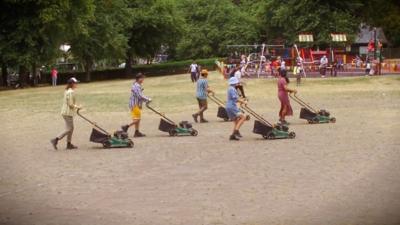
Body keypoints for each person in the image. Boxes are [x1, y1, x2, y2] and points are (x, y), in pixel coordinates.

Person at [50, 77, 81, 150]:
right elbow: (70, 104)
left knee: (71, 128)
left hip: (66, 112)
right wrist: (78, 107)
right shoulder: (71, 92)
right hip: (67, 113)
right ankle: (56, 139)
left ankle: (68, 144)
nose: (77, 84)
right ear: (72, 84)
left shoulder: (67, 90)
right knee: (69, 128)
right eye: (75, 83)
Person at [121, 73, 151, 137]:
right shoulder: (136, 86)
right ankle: (126, 126)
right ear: (139, 79)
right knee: (137, 119)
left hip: (136, 104)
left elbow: (139, 96)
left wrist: (143, 102)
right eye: (142, 78)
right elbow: (139, 96)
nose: (143, 79)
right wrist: (148, 99)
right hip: (134, 104)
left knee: (137, 118)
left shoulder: (137, 85)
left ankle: (137, 132)